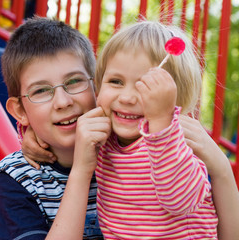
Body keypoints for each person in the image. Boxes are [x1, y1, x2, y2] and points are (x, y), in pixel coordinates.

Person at [90, 20, 217, 239]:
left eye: (146, 85)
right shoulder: (104, 134)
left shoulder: (178, 144)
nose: (127, 97)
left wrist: (161, 121)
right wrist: (32, 137)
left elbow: (179, 201)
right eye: (116, 81)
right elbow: (62, 135)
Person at [0, 16, 110, 239]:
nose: (63, 101)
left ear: (97, 86)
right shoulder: (17, 177)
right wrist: (82, 170)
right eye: (41, 91)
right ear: (20, 112)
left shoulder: (129, 154)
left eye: (74, 81)